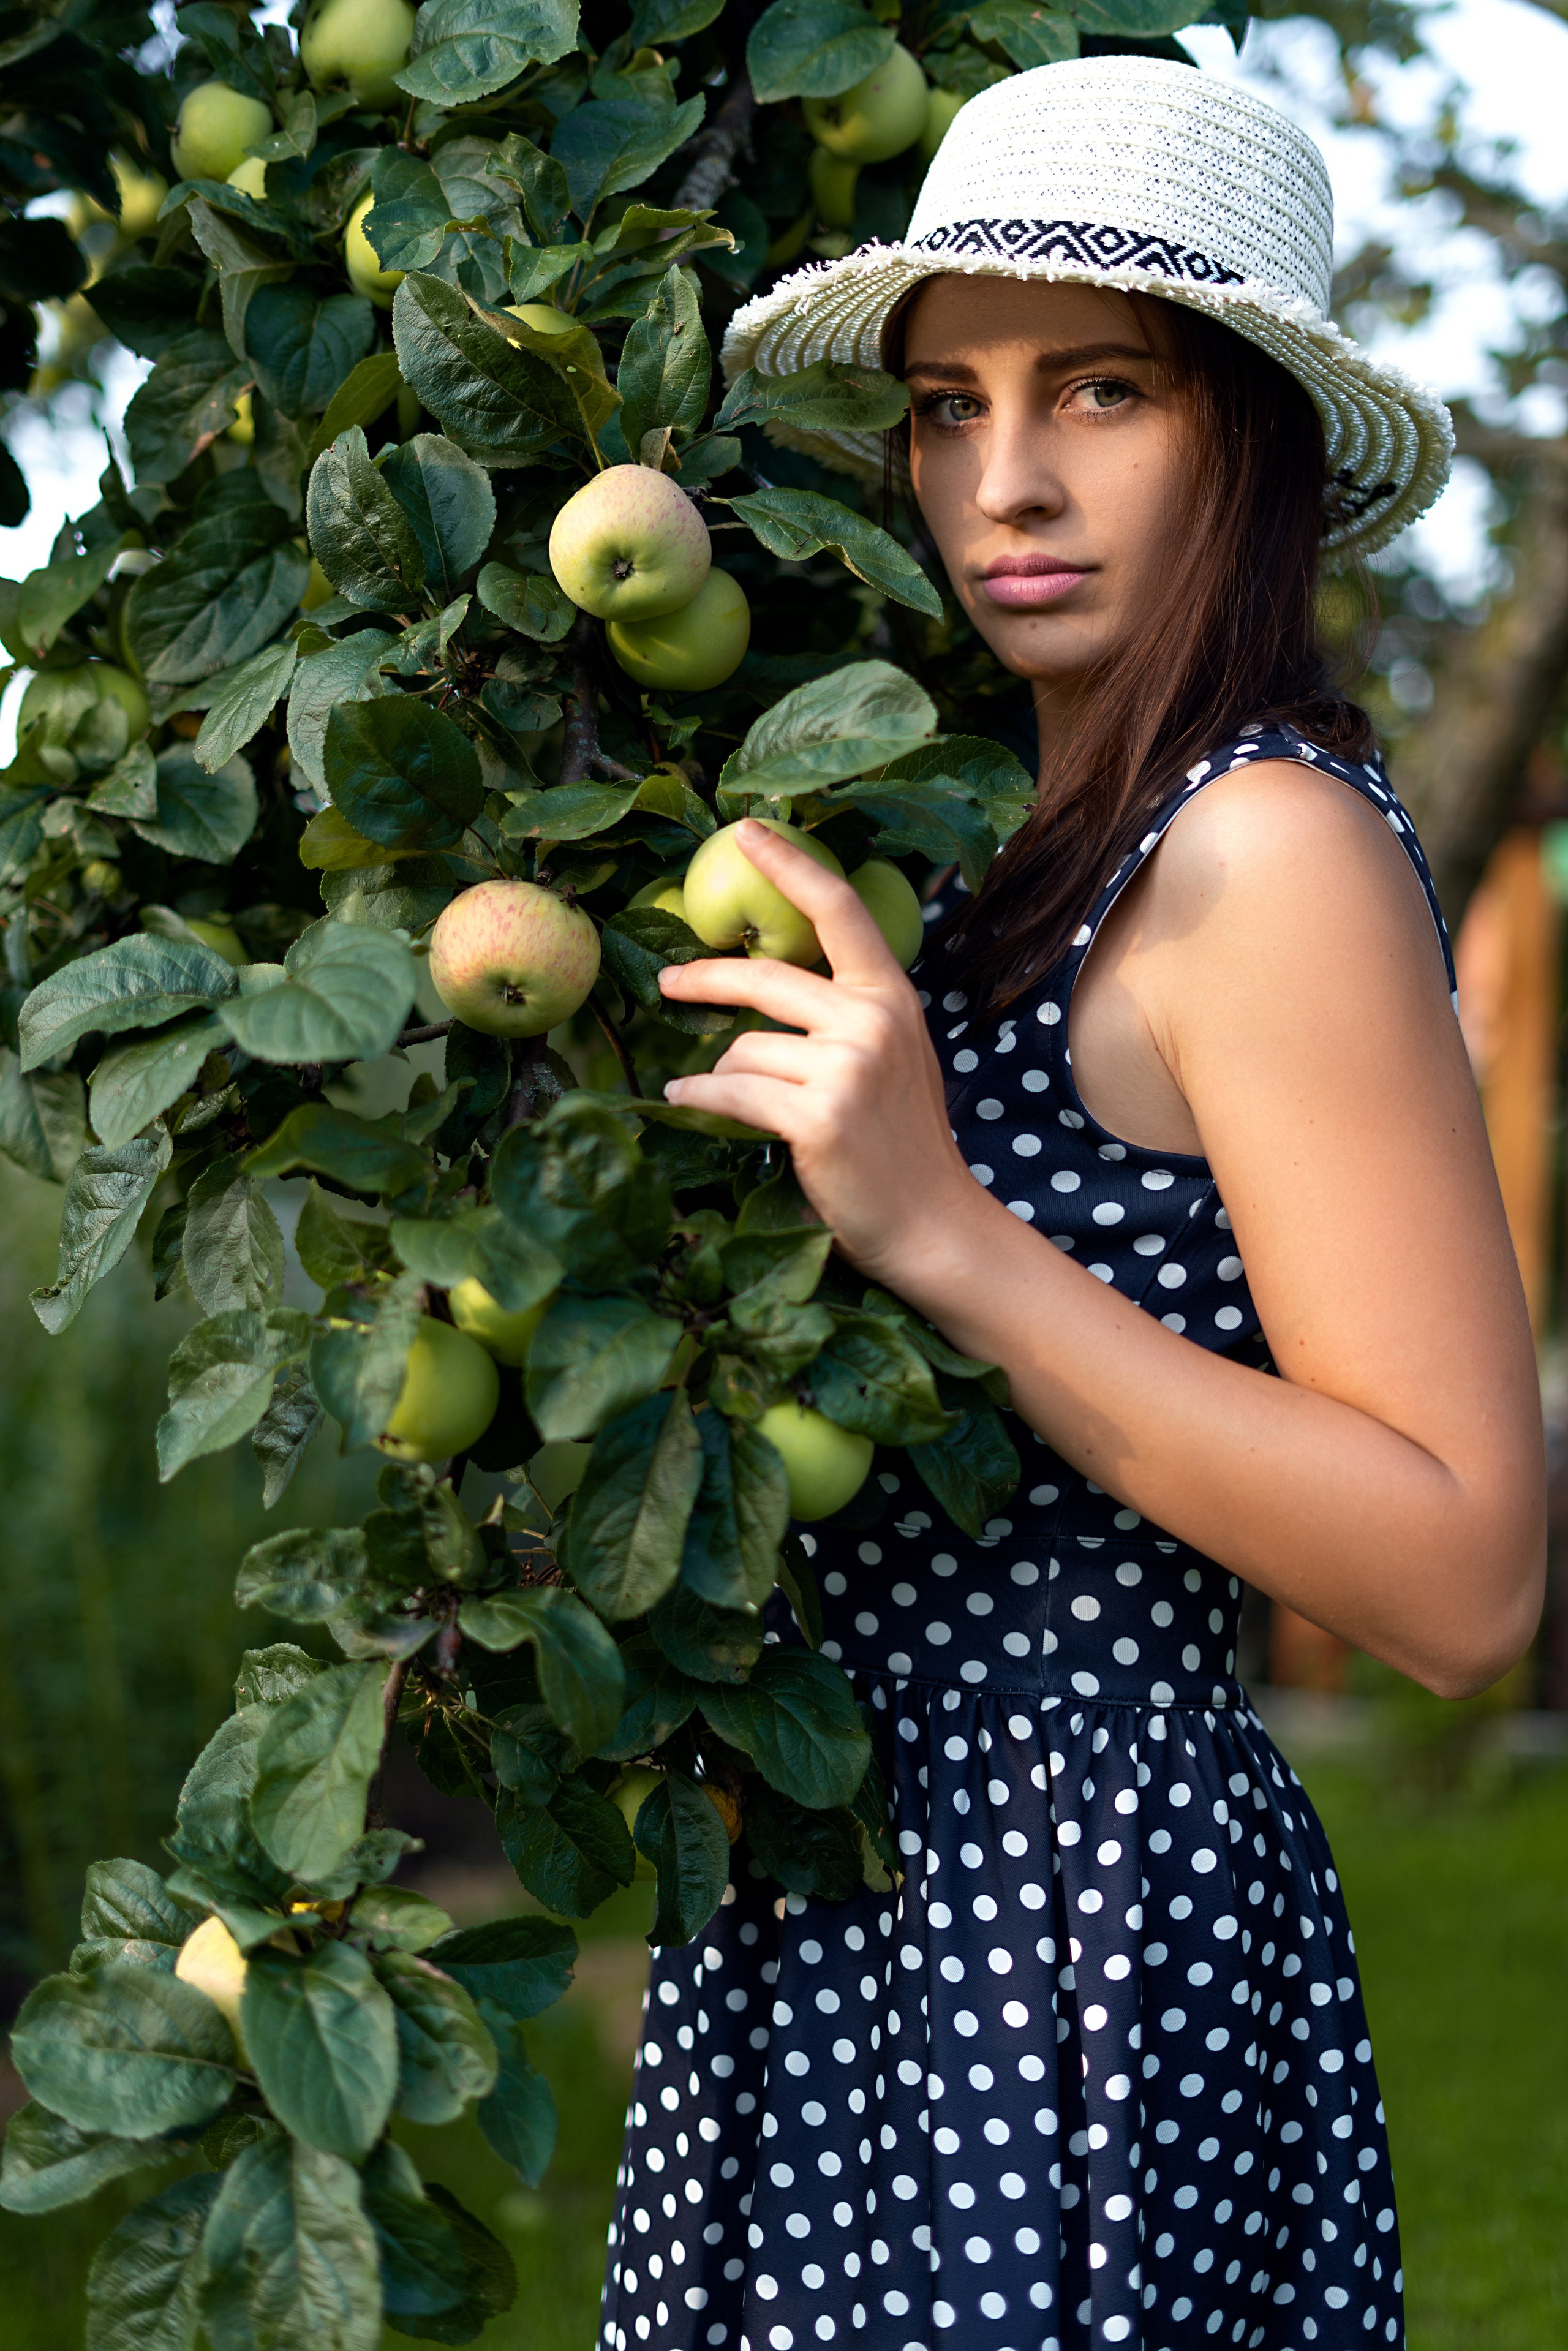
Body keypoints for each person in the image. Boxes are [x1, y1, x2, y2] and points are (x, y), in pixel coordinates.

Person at [598, 55, 1545, 2351]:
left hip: (1069, 1937)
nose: (1001, 481)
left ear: (1247, 432)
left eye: (1097, 391)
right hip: (852, 1901)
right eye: (946, 405)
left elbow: (1462, 1572)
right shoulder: (1022, 847)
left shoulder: (1261, 848)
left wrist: (946, 1236)